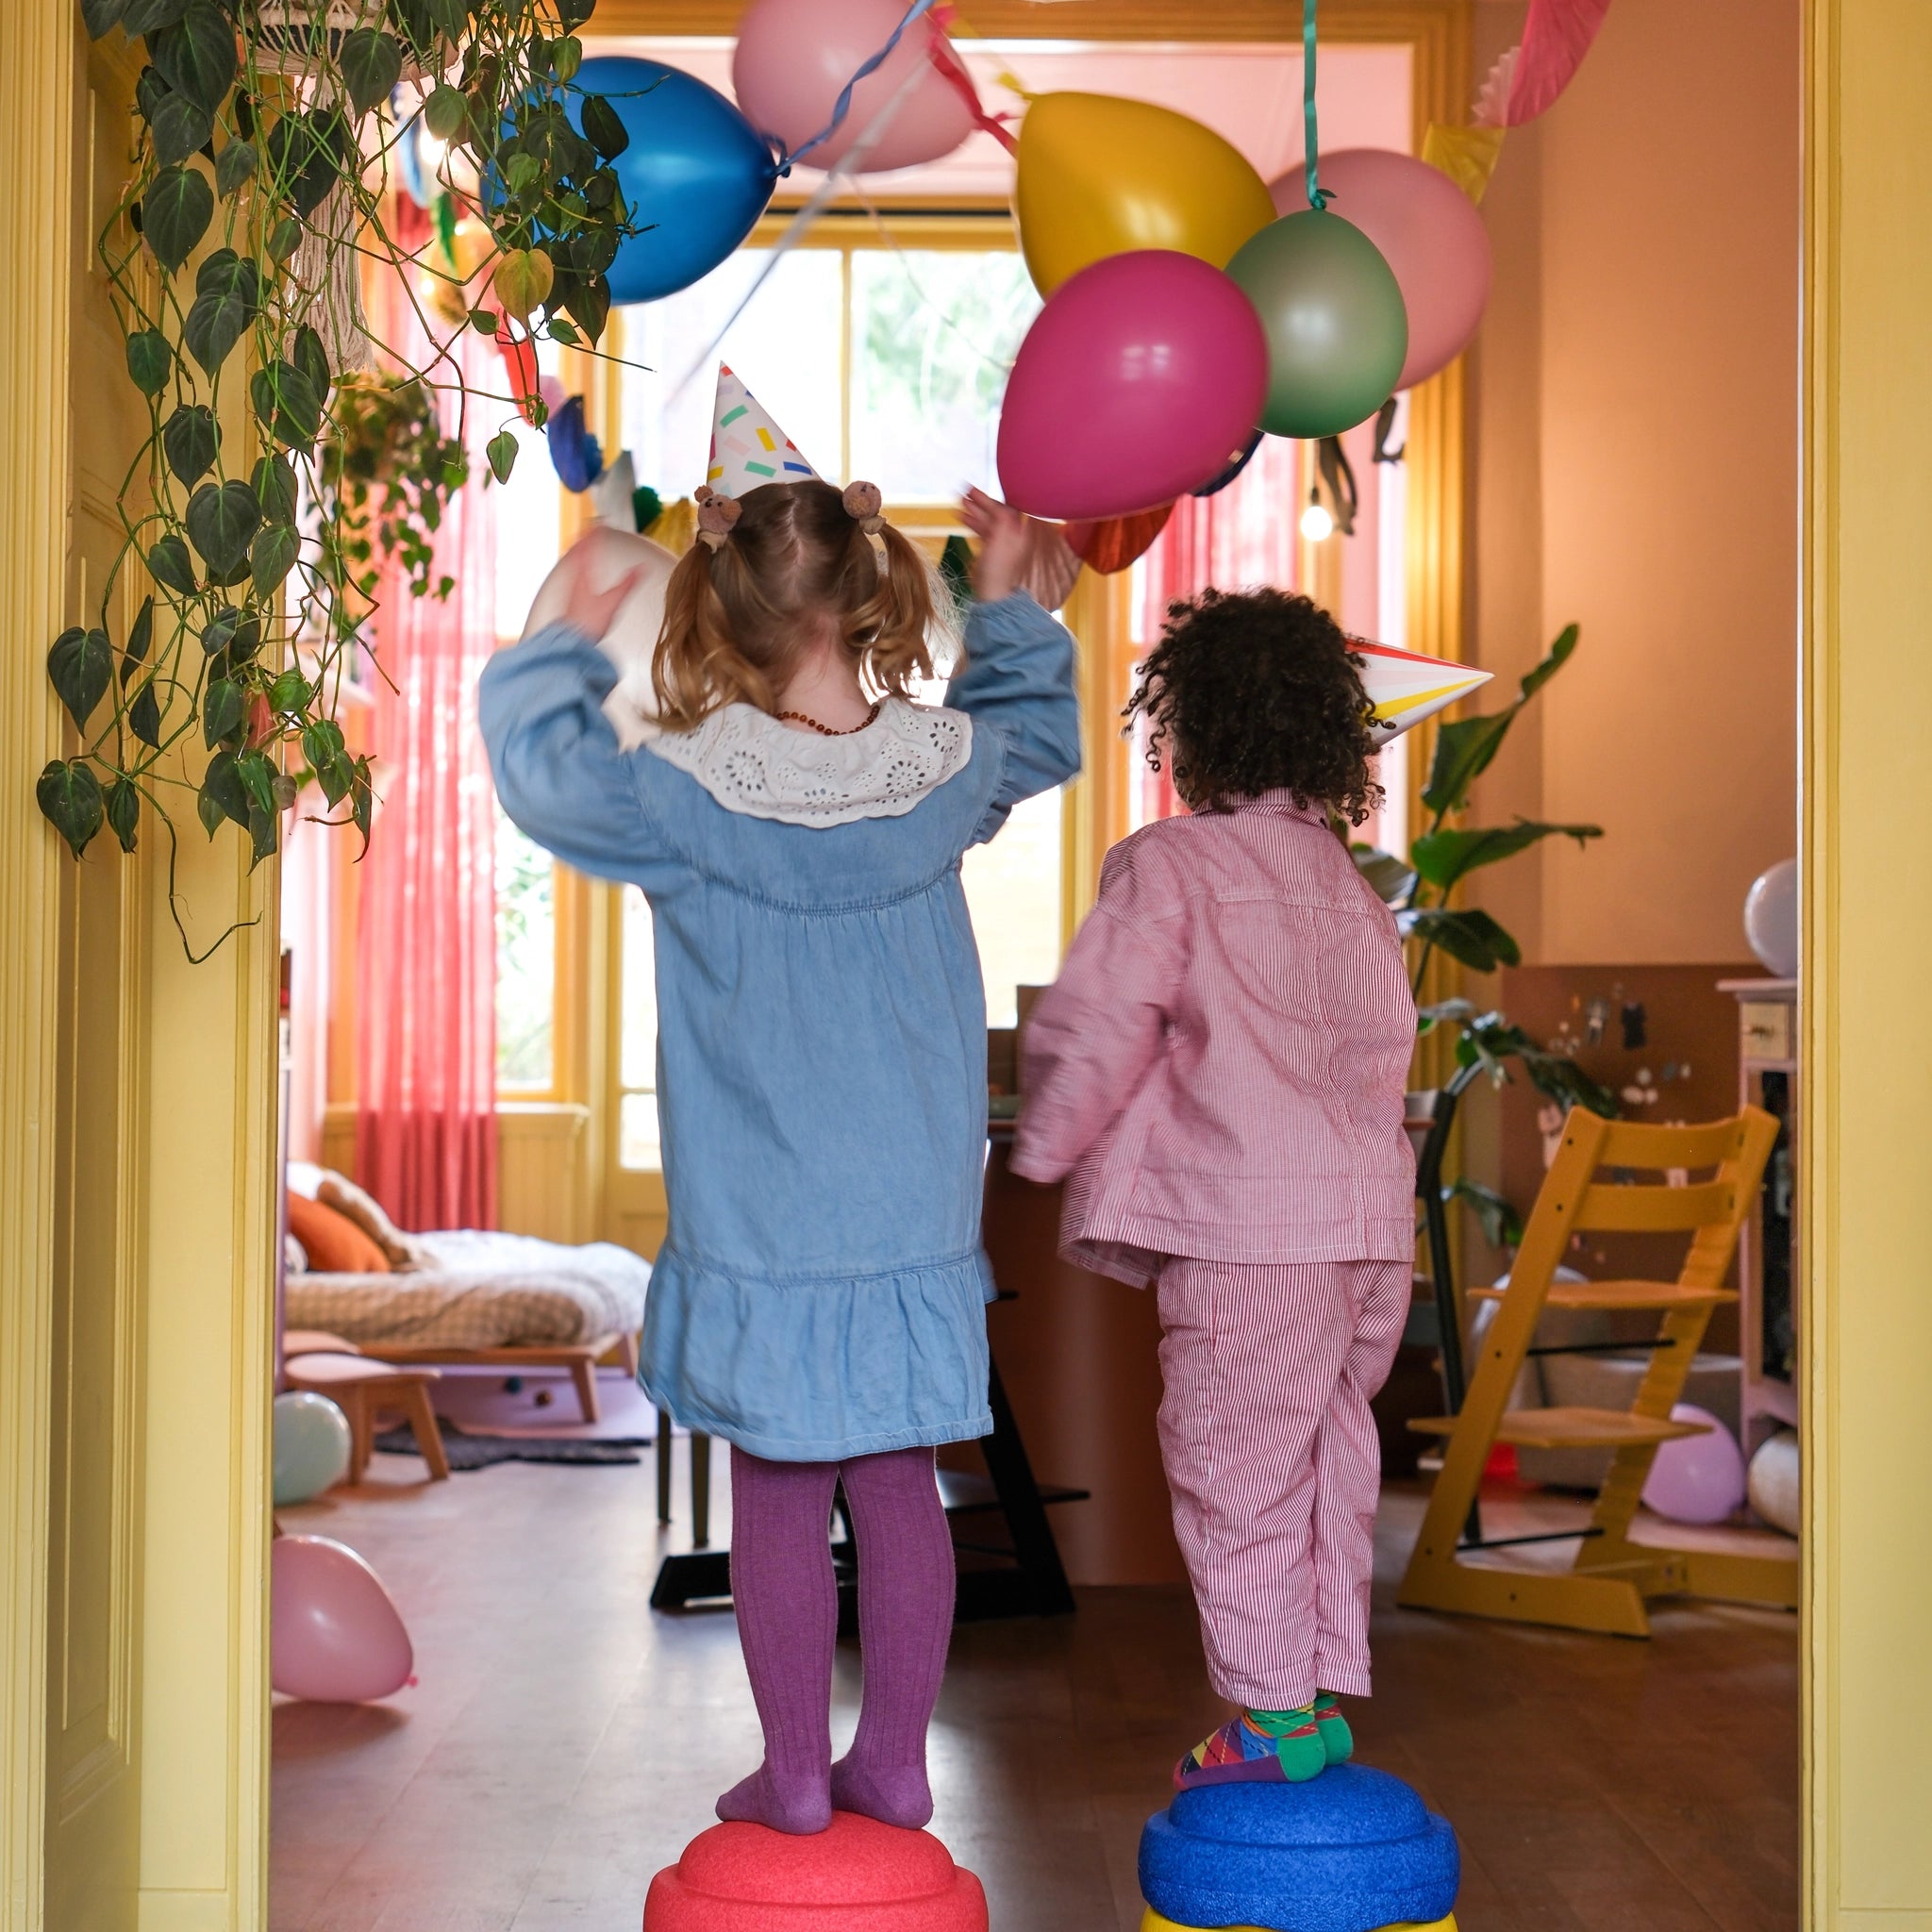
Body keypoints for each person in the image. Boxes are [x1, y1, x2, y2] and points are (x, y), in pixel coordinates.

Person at [478, 384, 1080, 1840]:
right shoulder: (944, 776)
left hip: (763, 1223)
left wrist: (564, 628)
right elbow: (1039, 729)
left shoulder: (680, 795)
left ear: (716, 615)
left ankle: (798, 1773)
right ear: (870, 601)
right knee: (899, 1479)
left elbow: (543, 775)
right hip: (908, 1212)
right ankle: (897, 1761)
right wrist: (1004, 600)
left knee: (780, 1483)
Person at [1010, 587, 1416, 1790]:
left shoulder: (1170, 864)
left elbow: (1096, 1019)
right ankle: (1315, 1688)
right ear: (1324, 744)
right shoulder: (1349, 887)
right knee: (1326, 1450)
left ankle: (1268, 1718)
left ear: (1181, 736)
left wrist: (1043, 1144)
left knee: (1230, 1460)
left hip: (1257, 1230)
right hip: (1363, 1230)